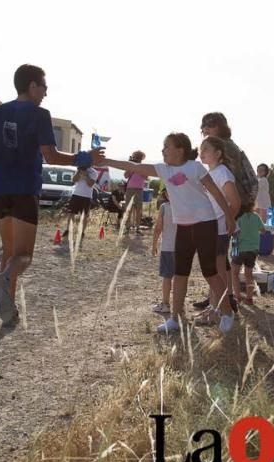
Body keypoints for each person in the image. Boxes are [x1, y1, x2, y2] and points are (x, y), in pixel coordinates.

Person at [0, 64, 103, 327]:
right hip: (24, 188)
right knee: (24, 256)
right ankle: (4, 281)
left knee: (9, 252)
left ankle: (8, 310)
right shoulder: (39, 115)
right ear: (32, 85)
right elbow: (51, 156)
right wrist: (85, 157)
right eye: (44, 87)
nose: (46, 93)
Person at [101, 133, 237, 334]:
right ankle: (175, 318)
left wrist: (230, 217)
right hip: (183, 226)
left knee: (210, 271)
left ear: (180, 149)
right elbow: (134, 167)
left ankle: (227, 313)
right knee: (180, 273)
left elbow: (216, 192)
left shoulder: (195, 167)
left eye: (167, 146)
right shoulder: (163, 169)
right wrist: (104, 160)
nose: (163, 150)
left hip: (205, 224)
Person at [195, 135, 242, 323]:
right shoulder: (208, 173)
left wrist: (227, 220)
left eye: (206, 149)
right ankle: (214, 308)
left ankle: (221, 311)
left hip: (219, 228)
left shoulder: (223, 172)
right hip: (208, 226)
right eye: (201, 148)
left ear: (218, 153)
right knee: (212, 270)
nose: (201, 152)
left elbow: (236, 202)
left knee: (218, 271)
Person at [200, 112, 258, 209]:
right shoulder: (225, 144)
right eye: (203, 125)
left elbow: (227, 177)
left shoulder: (225, 146)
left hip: (233, 203)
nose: (206, 128)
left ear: (221, 127)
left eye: (211, 125)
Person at [150, 189, 175, 314]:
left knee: (167, 276)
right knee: (180, 277)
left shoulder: (164, 207)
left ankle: (165, 303)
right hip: (183, 248)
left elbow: (158, 228)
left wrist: (154, 244)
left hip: (168, 247)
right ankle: (178, 304)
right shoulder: (186, 206)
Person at [234, 204, 265, 304]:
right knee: (249, 274)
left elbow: (234, 231)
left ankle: (237, 296)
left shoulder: (238, 217)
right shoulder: (256, 216)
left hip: (240, 249)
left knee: (234, 273)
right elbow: (263, 231)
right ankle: (249, 298)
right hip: (253, 249)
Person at [64, 164, 97, 245]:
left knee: (84, 215)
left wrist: (85, 175)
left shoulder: (94, 172)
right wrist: (79, 173)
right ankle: (68, 230)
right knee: (71, 213)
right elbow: (74, 180)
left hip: (86, 196)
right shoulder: (79, 170)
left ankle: (82, 232)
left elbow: (90, 184)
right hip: (76, 194)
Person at [123, 151, 147, 233]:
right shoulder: (131, 165)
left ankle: (137, 227)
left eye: (139, 157)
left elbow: (146, 177)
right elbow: (126, 175)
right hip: (131, 189)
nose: (138, 158)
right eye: (137, 157)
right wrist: (132, 168)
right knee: (128, 208)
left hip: (139, 189)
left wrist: (139, 169)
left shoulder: (143, 167)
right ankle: (128, 227)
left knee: (138, 209)